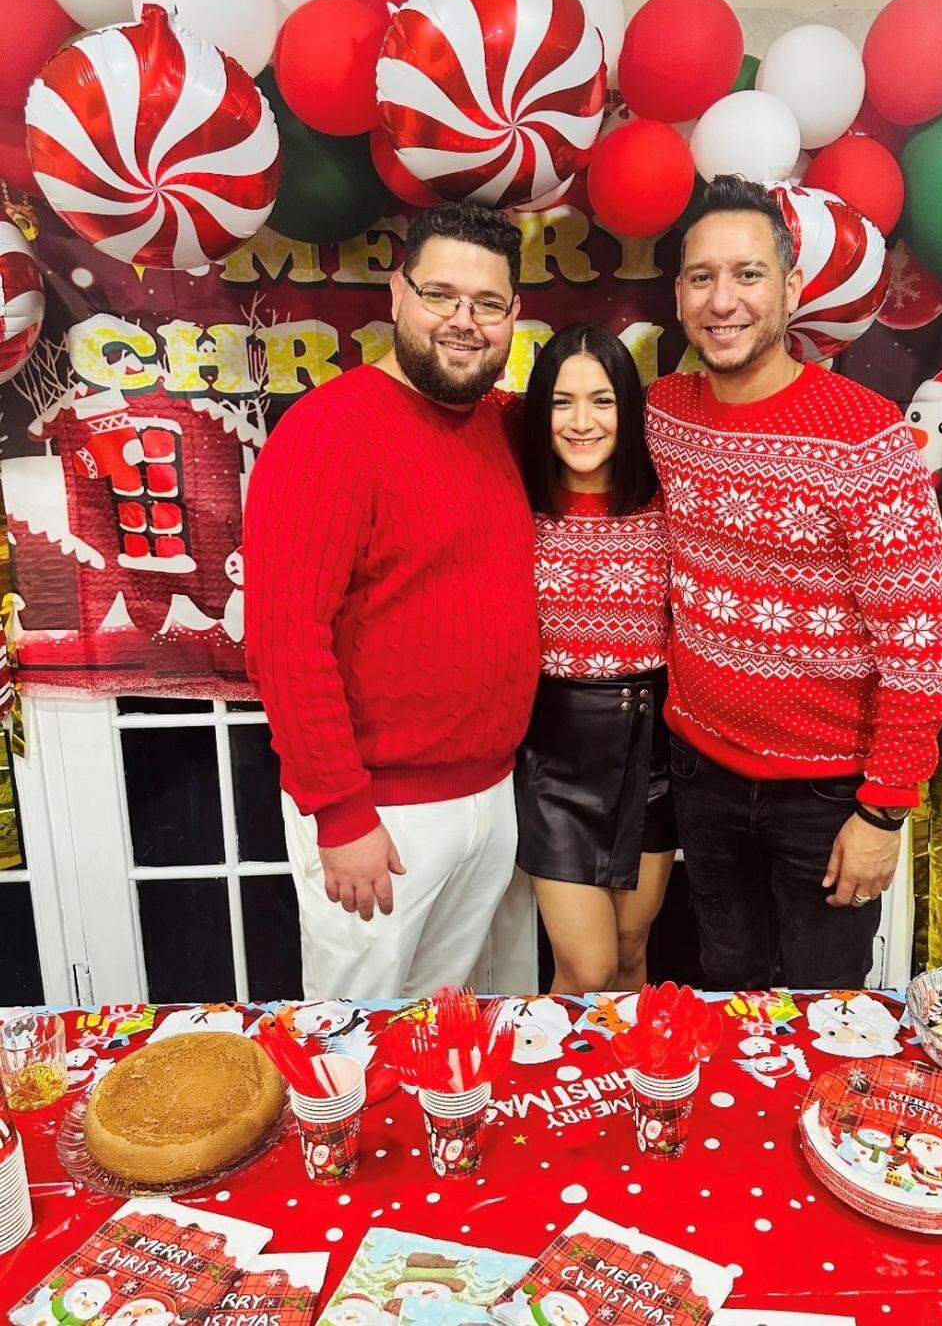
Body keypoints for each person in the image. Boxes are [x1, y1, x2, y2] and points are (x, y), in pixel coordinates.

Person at [646, 174, 942, 990]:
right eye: (702, 277)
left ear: (788, 289)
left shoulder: (865, 436)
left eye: (747, 275)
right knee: (726, 990)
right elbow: (555, 426)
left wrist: (883, 809)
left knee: (824, 1018)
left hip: (828, 799)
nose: (724, 300)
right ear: (679, 294)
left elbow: (920, 645)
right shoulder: (663, 413)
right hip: (701, 772)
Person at [244, 201, 538, 1000]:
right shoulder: (328, 433)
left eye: (487, 303)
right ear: (397, 294)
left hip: (493, 797)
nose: (463, 321)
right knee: (357, 1046)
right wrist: (340, 814)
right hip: (381, 817)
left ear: (515, 316)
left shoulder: (498, 427)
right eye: (441, 294)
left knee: (455, 1038)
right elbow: (284, 640)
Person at [515, 324, 675, 993]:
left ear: (627, 409)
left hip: (652, 753)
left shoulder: (666, 504)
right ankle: (558, 1091)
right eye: (561, 401)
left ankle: (633, 1095)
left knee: (633, 951)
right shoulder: (516, 505)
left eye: (602, 400)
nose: (582, 422)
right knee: (587, 966)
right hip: (556, 757)